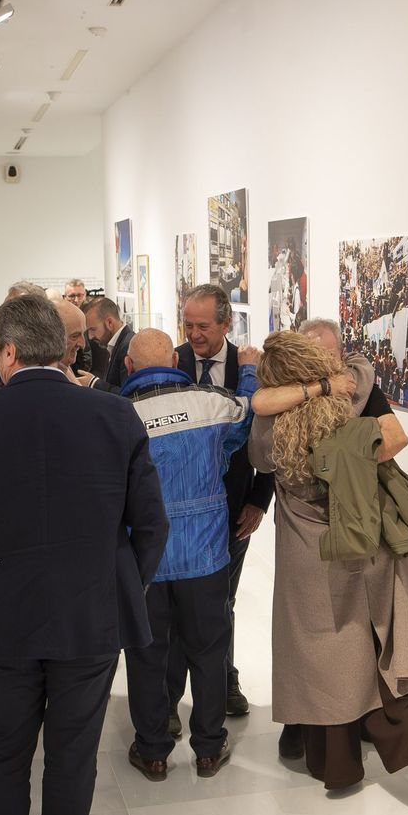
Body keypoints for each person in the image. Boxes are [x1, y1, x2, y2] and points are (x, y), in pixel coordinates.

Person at [0, 294, 168, 815]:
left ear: (6, 352)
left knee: (2, 759)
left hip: (3, 624)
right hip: (90, 621)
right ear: (60, 348)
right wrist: (123, 588)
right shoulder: (114, 414)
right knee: (73, 762)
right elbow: (152, 526)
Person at [247, 330, 408, 789]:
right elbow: (375, 396)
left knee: (320, 653)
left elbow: (259, 446)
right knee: (373, 640)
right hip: (362, 538)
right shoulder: (348, 406)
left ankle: (331, 760)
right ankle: (400, 737)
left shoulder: (270, 430)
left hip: (306, 552)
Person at [121, 329, 260, 782]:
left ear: (128, 367)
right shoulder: (209, 403)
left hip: (146, 561)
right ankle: (207, 746)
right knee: (207, 650)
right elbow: (247, 414)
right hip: (205, 554)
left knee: (148, 654)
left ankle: (154, 750)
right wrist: (252, 371)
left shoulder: (119, 416)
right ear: (177, 363)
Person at [168, 284, 274, 724]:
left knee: (222, 603)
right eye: (188, 324)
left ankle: (225, 681)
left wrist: (258, 500)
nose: (193, 334)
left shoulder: (249, 369)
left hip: (232, 510)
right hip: (177, 513)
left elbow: (266, 439)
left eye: (203, 326)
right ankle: (169, 699)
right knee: (174, 607)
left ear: (227, 324)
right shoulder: (169, 363)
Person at [84, 297, 132, 389]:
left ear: (109, 323)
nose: (90, 337)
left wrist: (94, 383)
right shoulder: (121, 343)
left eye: (93, 329)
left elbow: (128, 395)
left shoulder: (127, 347)